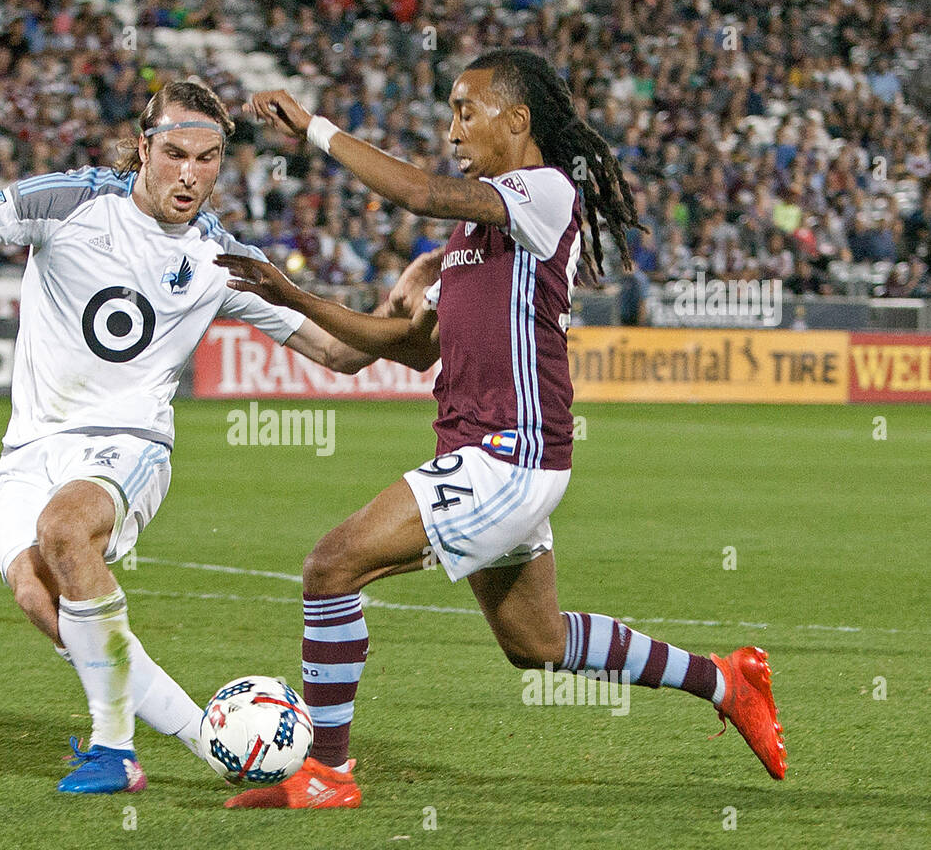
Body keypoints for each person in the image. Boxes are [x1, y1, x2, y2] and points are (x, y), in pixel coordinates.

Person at [216, 48, 787, 809]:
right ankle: (727, 680)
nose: (453, 127)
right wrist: (293, 295)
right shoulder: (471, 237)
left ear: (517, 120)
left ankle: (328, 774)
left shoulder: (545, 193)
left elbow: (421, 193)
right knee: (537, 644)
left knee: (331, 567)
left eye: (466, 110)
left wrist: (316, 129)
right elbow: (414, 347)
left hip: (509, 454)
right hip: (487, 456)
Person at [0, 81, 397, 795]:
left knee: (66, 532)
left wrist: (395, 308)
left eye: (209, 159)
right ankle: (208, 738)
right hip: (31, 447)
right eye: (177, 153)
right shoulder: (67, 201)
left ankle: (114, 750)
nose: (191, 173)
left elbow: (339, 356)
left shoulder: (222, 258)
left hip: (129, 443)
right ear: (144, 148)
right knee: (38, 594)